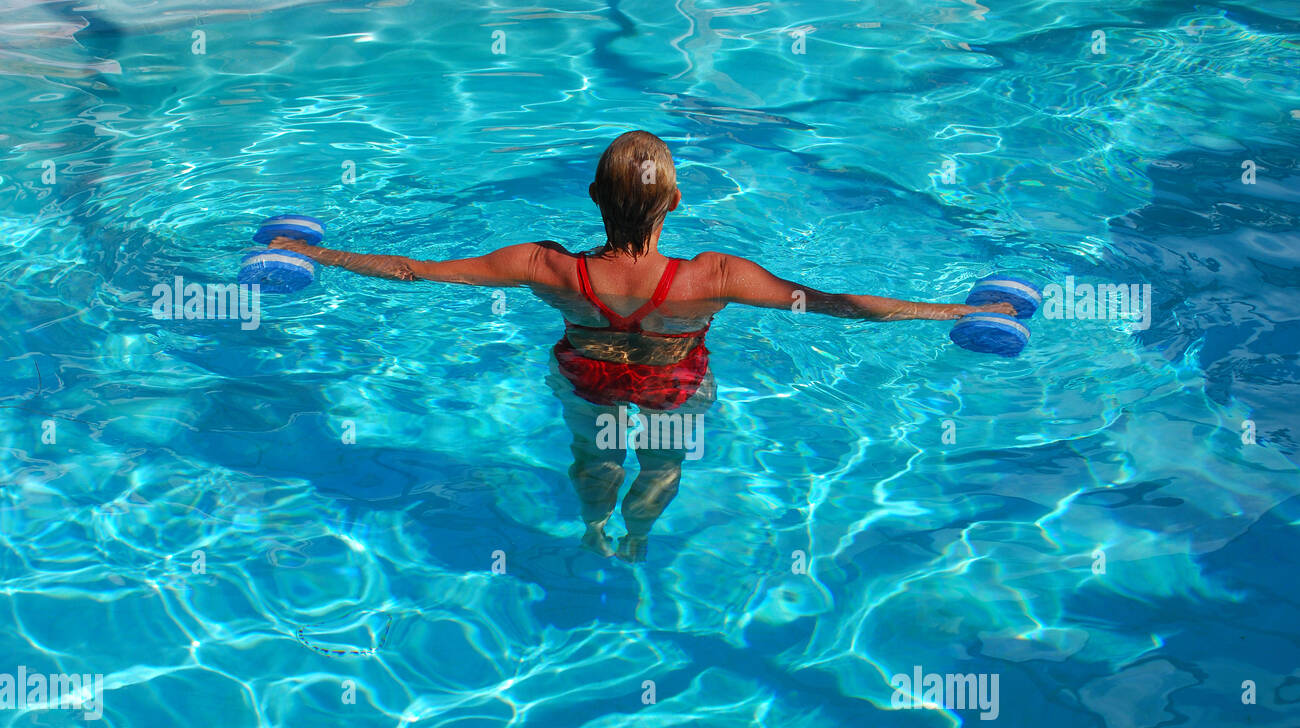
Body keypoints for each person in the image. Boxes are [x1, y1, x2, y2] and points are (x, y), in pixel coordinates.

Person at [270, 130, 1012, 561]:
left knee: (596, 457)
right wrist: (960, 310)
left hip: (586, 380)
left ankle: (594, 527)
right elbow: (839, 305)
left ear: (595, 196)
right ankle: (636, 541)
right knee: (662, 462)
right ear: (676, 201)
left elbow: (415, 270)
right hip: (674, 386)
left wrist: (313, 254)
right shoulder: (714, 276)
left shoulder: (545, 266)